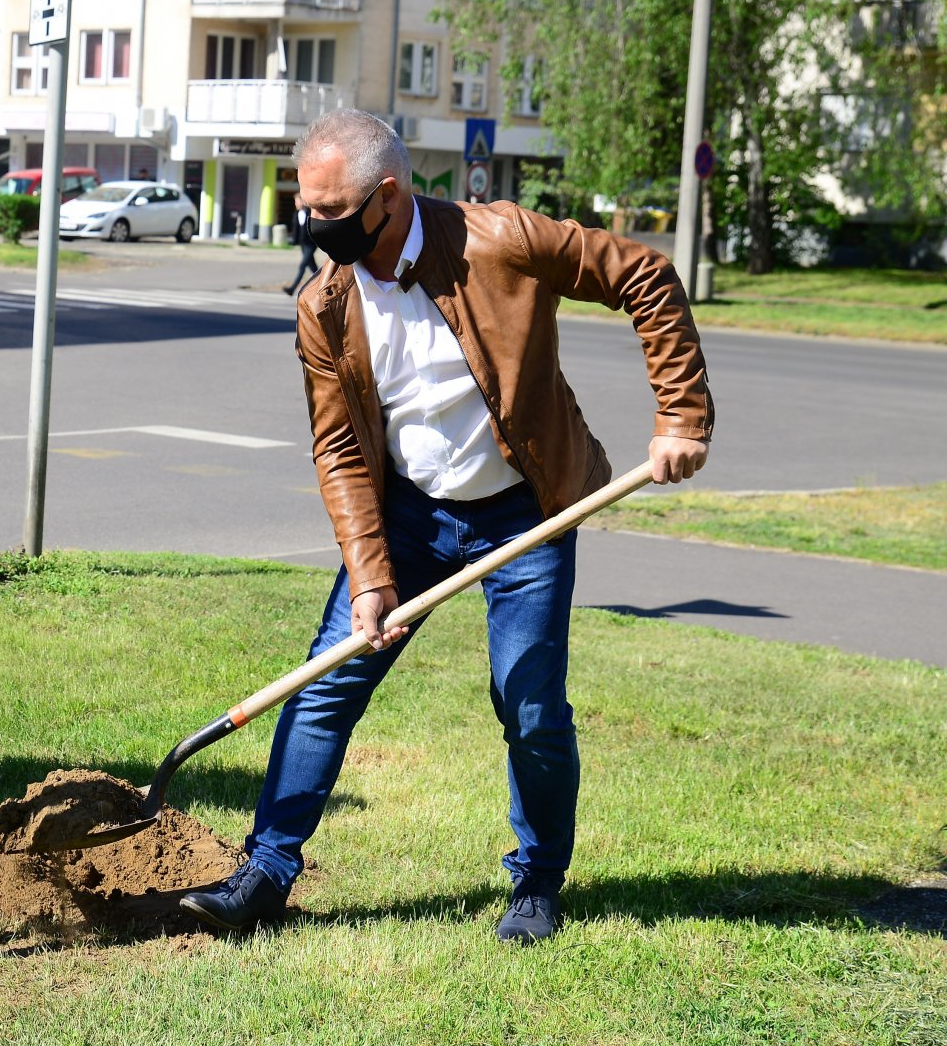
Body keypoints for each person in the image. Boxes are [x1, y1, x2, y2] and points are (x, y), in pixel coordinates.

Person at [179, 109, 712, 942]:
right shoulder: (324, 306)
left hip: (527, 510)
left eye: (330, 212)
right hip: (409, 517)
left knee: (529, 704)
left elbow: (643, 274)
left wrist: (681, 413)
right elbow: (341, 450)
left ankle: (536, 884)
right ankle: (265, 873)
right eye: (305, 209)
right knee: (326, 688)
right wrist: (370, 572)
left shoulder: (501, 239)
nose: (314, 228)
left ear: (387, 198)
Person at [285, 200, 319, 295]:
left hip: (311, 244)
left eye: (298, 202)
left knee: (303, 265)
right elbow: (296, 229)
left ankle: (292, 288)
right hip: (302, 244)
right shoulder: (296, 214)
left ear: (303, 202)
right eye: (295, 202)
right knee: (313, 267)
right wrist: (293, 241)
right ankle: (323, 282)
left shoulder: (310, 212)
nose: (296, 204)